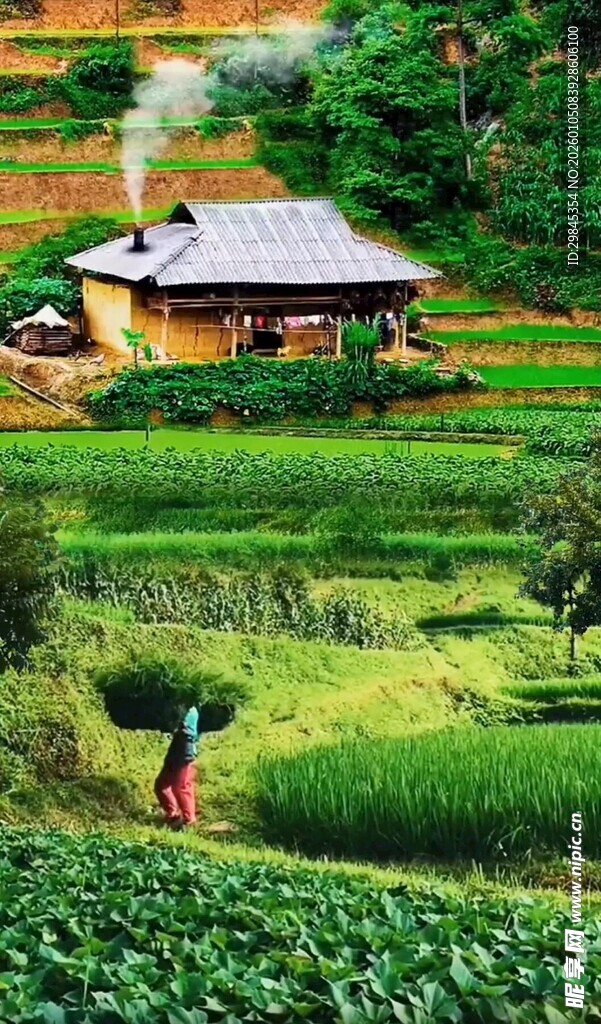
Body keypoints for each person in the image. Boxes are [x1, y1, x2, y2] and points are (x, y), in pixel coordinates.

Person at [154, 705, 201, 830]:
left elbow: (181, 726)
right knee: (162, 784)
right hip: (176, 747)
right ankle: (173, 814)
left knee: (181, 786)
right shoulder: (182, 706)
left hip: (185, 747)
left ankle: (189, 821)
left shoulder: (189, 710)